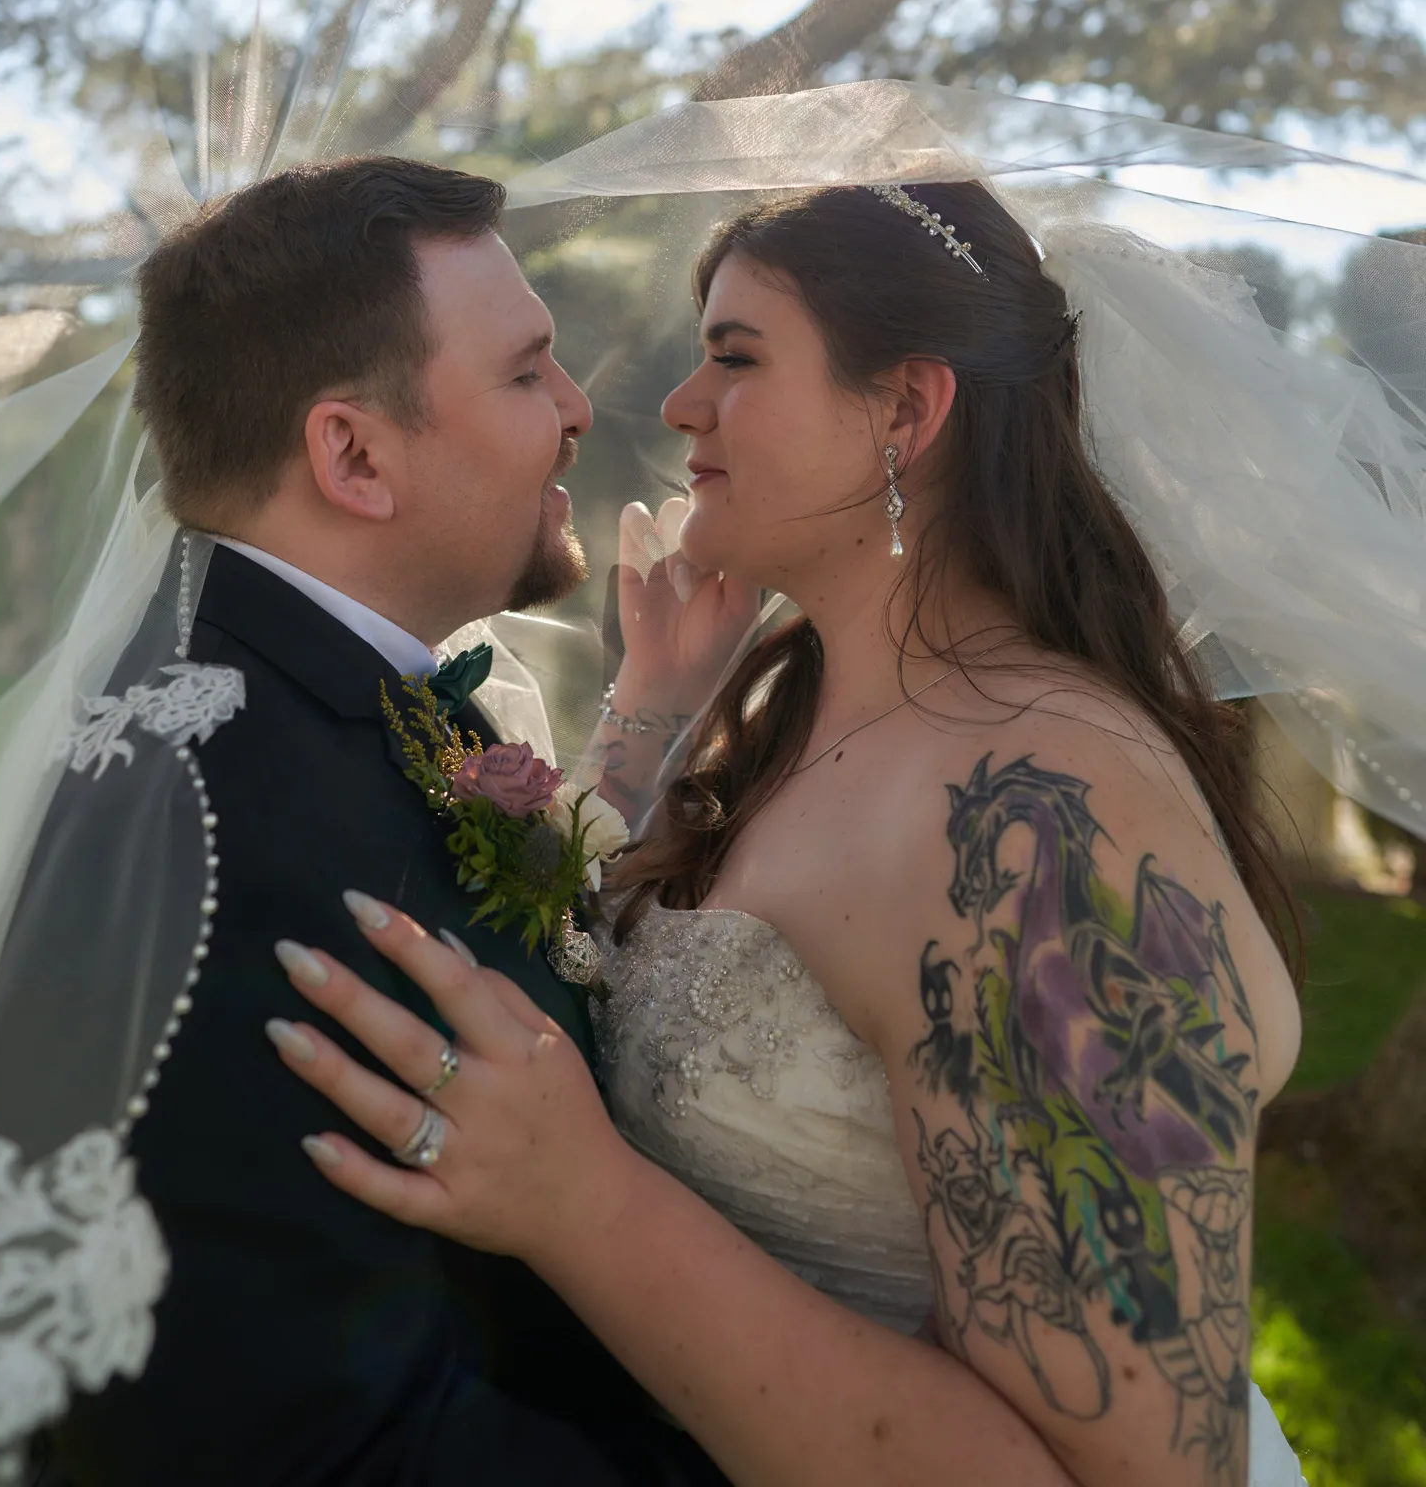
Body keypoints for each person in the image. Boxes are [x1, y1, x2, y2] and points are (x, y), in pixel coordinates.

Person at [264, 181, 1312, 1486]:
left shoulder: (1050, 808)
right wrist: (645, 729)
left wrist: (585, 1205)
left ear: (907, 411)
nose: (678, 407)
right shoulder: (791, 713)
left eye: (737, 360)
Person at [0, 155, 730, 1485]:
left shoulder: (339, 700)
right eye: (528, 371)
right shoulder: (200, 808)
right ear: (353, 453)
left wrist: (645, 726)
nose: (581, 408)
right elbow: (288, 1433)